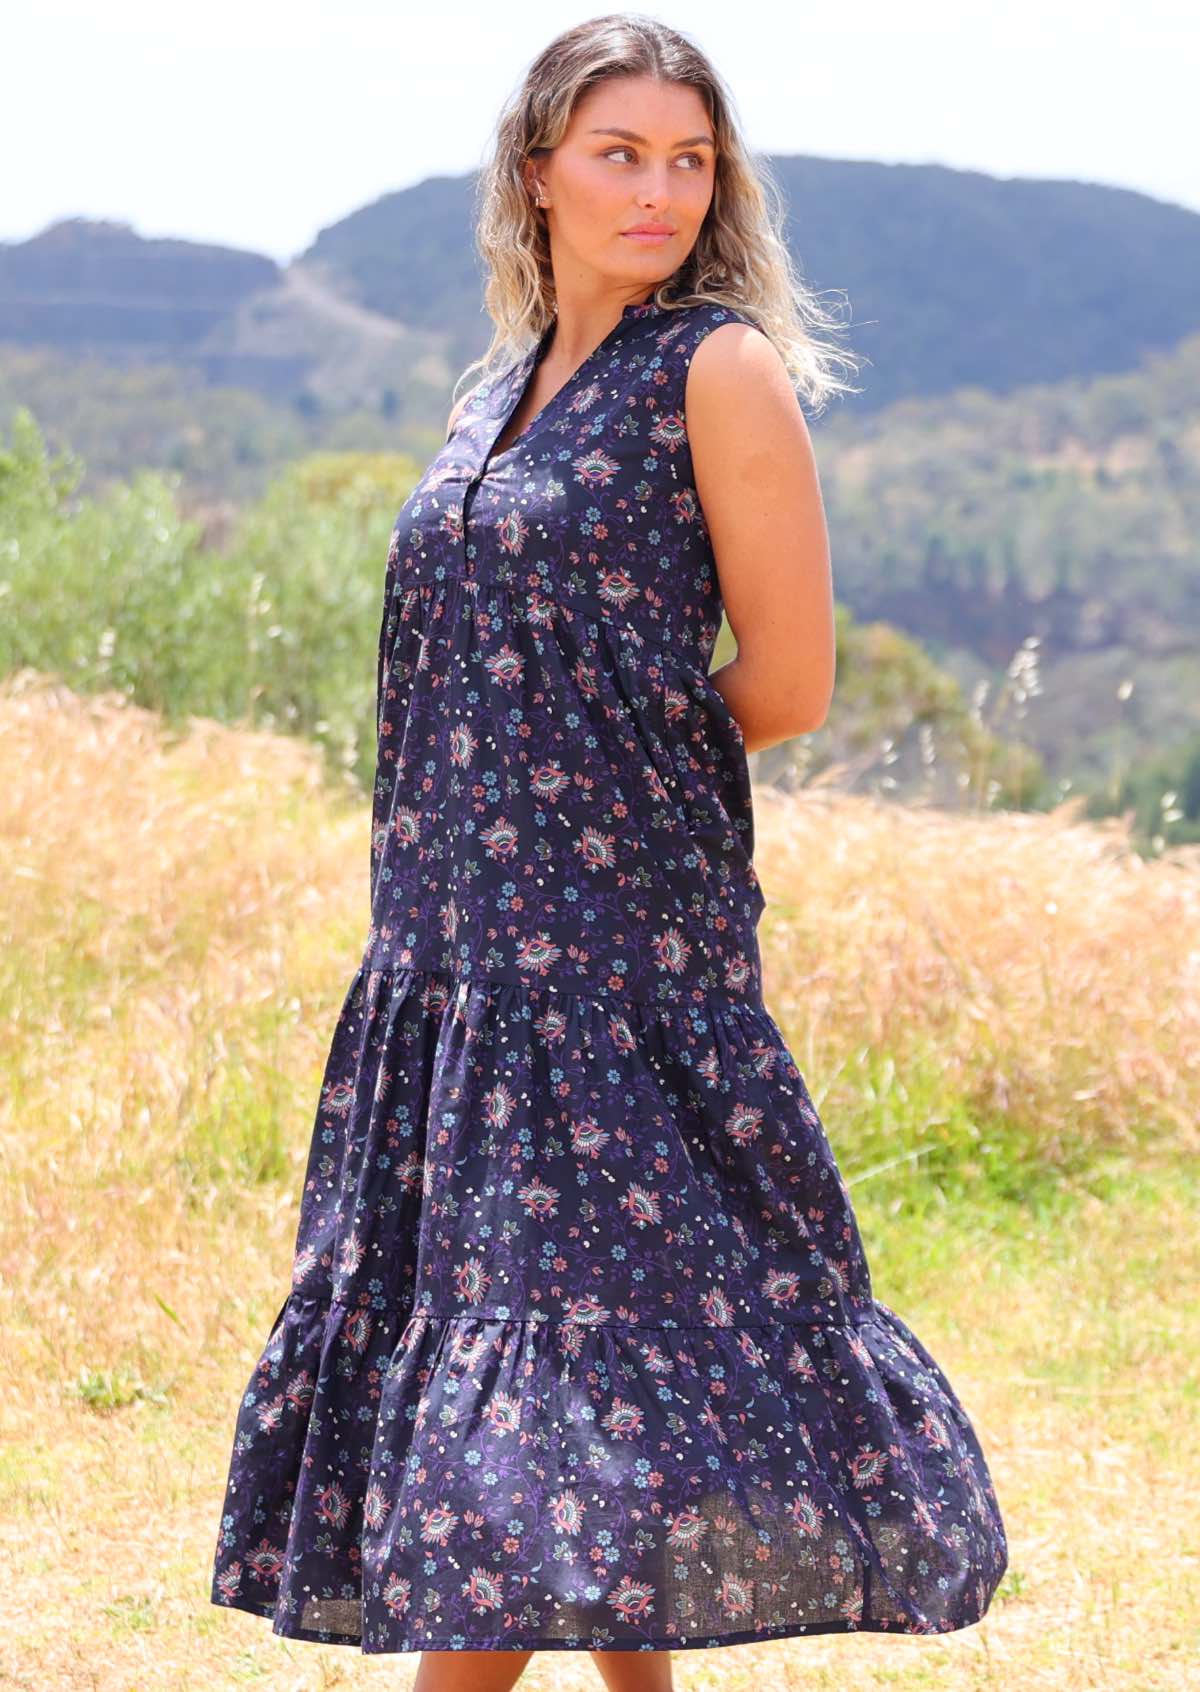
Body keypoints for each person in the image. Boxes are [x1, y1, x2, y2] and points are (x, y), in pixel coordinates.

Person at [210, 16, 1008, 1691]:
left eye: (688, 159)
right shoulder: (489, 389)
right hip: (451, 956)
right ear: (537, 174)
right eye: (618, 153)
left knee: (548, 1419)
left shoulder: (717, 369)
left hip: (611, 963)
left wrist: (598, 792)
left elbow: (787, 682)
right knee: (570, 1403)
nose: (657, 190)